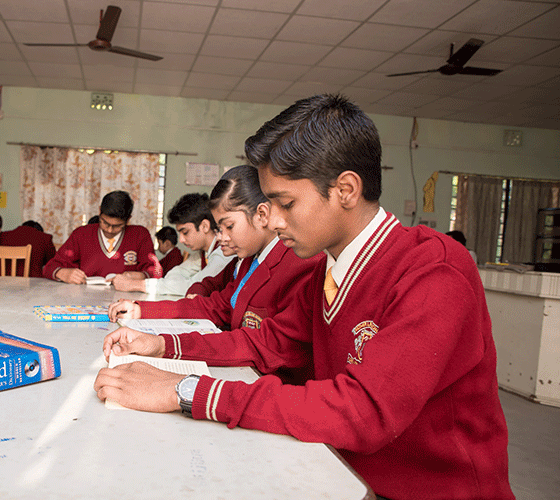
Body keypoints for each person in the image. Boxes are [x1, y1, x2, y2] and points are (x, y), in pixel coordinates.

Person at [94, 95, 514, 500]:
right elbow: (267, 342)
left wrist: (186, 390)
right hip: (342, 470)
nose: (273, 220)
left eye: (285, 203)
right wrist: (164, 344)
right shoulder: (327, 269)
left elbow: (363, 411)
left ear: (345, 189)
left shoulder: (433, 269)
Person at [107, 165, 318, 341]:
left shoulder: (298, 263)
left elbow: (266, 345)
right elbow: (218, 305)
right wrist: (142, 310)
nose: (222, 237)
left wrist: (168, 344)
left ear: (261, 215)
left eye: (229, 227)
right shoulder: (247, 261)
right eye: (220, 229)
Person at [111, 192, 235, 296]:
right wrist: (175, 285)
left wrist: (137, 284)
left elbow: (194, 286)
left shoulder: (224, 253)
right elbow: (177, 272)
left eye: (185, 232)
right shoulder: (203, 253)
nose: (181, 240)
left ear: (204, 226)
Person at [43, 190, 162, 283]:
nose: (109, 230)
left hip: (125, 301)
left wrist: (140, 276)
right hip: (83, 300)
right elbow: (49, 268)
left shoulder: (140, 235)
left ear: (128, 219)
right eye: (105, 222)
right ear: (99, 211)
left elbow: (156, 272)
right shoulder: (81, 234)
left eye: (117, 226)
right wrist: (63, 273)